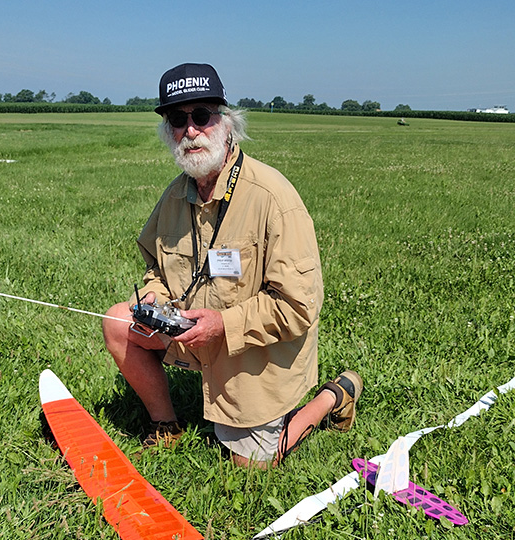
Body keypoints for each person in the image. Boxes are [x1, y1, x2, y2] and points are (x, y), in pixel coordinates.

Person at [103, 63, 362, 468]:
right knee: (119, 322)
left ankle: (335, 394)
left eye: (201, 116)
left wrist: (222, 325)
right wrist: (155, 295)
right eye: (177, 119)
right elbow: (157, 266)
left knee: (253, 465)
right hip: (194, 336)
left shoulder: (272, 197)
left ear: (226, 122)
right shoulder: (174, 197)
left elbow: (298, 307)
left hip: (257, 350)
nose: (190, 131)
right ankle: (166, 425)